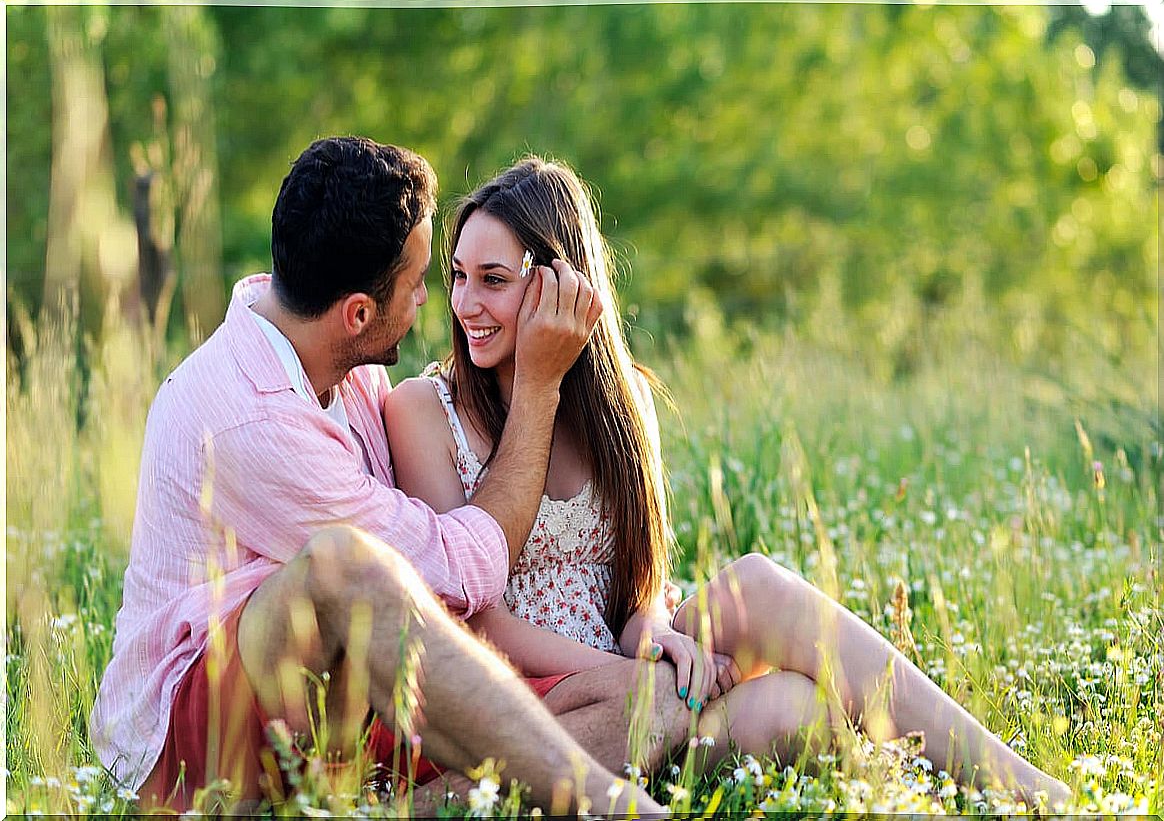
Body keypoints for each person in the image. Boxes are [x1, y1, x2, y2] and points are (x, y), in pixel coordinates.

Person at [383, 155, 1073, 808]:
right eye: (459, 275)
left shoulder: (625, 405)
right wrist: (632, 678)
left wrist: (655, 638)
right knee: (777, 708)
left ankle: (1019, 788)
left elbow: (639, 580)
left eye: (493, 280)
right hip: (534, 700)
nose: (466, 302)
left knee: (778, 663)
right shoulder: (423, 410)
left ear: (561, 284)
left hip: (639, 678)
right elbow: (472, 617)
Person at [89, 137, 683, 816]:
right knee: (342, 565)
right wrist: (538, 389)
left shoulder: (338, 358)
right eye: (421, 283)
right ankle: (616, 806)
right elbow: (461, 573)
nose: (437, 303)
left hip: (349, 701)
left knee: (644, 702)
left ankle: (402, 810)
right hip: (199, 742)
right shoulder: (248, 419)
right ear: (359, 315)